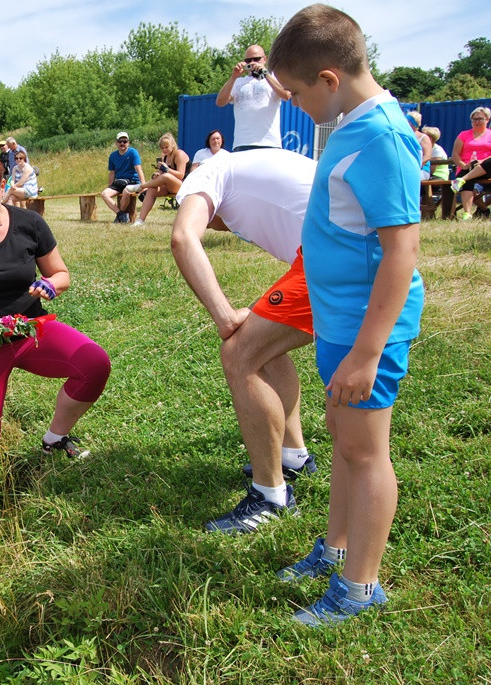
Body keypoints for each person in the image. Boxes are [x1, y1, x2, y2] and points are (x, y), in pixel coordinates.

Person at [269, 3, 425, 626]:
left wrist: (365, 352)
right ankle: (335, 549)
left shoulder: (382, 137)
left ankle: (360, 587)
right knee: (343, 442)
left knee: (365, 453)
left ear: (330, 80)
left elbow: (400, 253)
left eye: (300, 93)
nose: (299, 106)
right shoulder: (351, 125)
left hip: (367, 332)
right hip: (338, 322)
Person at [0, 142, 112, 514]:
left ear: (3, 186)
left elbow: (61, 274)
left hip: (29, 329)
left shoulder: (30, 225)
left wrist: (50, 285)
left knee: (94, 365)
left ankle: (55, 438)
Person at [171, 148, 319, 534]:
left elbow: (183, 238)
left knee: (239, 352)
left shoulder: (203, 178)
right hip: (345, 245)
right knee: (264, 344)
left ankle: (270, 497)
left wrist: (224, 317)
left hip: (332, 254)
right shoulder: (244, 167)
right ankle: (293, 456)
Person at [216, 44, 291, 151]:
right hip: (242, 142)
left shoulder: (273, 78)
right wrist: (233, 77)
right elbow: (220, 102)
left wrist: (265, 74)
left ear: (264, 59)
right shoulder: (238, 82)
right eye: (248, 60)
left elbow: (286, 95)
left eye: (256, 59)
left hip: (268, 142)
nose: (252, 63)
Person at [122, 133, 188, 226]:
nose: (164, 150)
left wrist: (167, 170)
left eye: (166, 147)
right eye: (162, 148)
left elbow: (181, 175)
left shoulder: (179, 154)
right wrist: (156, 175)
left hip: (184, 185)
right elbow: (160, 172)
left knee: (166, 176)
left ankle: (141, 186)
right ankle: (140, 220)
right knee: (152, 189)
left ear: (173, 145)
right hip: (169, 184)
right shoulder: (164, 156)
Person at [450, 106, 491, 220]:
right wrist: (463, 164)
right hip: (467, 166)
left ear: (487, 119)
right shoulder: (463, 135)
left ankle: (461, 180)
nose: (477, 121)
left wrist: (482, 161)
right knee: (467, 180)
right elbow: (455, 154)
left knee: (489, 163)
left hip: (486, 167)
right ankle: (467, 213)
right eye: (474, 119)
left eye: (480, 119)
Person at [100, 132, 146, 223]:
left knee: (126, 191)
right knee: (104, 194)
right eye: (120, 141)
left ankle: (122, 216)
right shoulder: (113, 156)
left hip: (132, 182)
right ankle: (121, 214)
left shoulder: (133, 153)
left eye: (124, 141)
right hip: (119, 182)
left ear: (128, 143)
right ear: (116, 143)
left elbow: (138, 169)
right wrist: (110, 186)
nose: (122, 144)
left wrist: (144, 185)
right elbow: (112, 173)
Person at [405, 111, 433, 179]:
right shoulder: (404, 136)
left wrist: (415, 167)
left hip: (422, 170)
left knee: (408, 178)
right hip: (406, 169)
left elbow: (427, 156)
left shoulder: (423, 138)